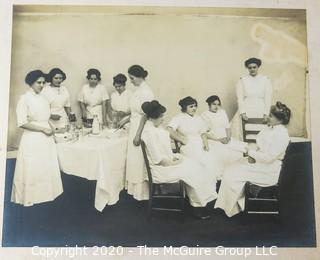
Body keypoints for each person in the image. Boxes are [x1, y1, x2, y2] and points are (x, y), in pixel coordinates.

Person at [141, 100, 217, 219]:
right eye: (161, 117)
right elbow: (158, 159)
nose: (163, 119)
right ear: (153, 117)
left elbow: (164, 151)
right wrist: (174, 162)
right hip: (161, 169)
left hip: (167, 163)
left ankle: (199, 202)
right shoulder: (149, 133)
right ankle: (197, 207)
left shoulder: (156, 129)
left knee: (196, 166)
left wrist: (175, 158)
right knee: (192, 171)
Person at [215, 102, 291, 217]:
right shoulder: (270, 129)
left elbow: (269, 158)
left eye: (270, 116)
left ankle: (233, 207)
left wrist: (249, 152)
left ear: (279, 120)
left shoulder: (282, 135)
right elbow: (260, 146)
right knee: (231, 167)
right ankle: (232, 205)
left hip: (269, 170)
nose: (267, 117)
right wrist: (248, 151)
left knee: (233, 172)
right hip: (261, 162)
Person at [11, 70, 63, 207]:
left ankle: (46, 195)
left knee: (46, 168)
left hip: (46, 138)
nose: (41, 85)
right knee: (33, 168)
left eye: (43, 82)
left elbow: (45, 118)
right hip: (33, 139)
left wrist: (53, 129)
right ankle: (32, 198)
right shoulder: (24, 99)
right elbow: (22, 122)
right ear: (31, 82)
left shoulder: (43, 98)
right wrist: (42, 129)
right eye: (38, 82)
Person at [119, 65, 154, 200]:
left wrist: (138, 134)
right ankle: (134, 192)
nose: (131, 81)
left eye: (132, 78)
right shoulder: (139, 90)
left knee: (139, 159)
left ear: (139, 77)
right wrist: (126, 119)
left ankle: (142, 193)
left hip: (141, 128)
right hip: (134, 124)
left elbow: (145, 114)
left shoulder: (146, 92)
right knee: (134, 159)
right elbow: (135, 111)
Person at [167, 96, 222, 179]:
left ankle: (212, 181)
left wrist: (205, 143)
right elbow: (169, 130)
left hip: (200, 142)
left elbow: (203, 132)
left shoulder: (198, 118)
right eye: (191, 106)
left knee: (211, 156)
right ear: (185, 107)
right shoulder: (179, 118)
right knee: (199, 159)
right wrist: (181, 139)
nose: (194, 108)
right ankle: (202, 181)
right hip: (188, 144)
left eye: (195, 106)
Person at [201, 95, 246, 177]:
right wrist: (219, 140)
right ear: (209, 104)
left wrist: (228, 138)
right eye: (214, 104)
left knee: (237, 151)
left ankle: (234, 174)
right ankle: (222, 175)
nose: (216, 106)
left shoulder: (222, 112)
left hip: (225, 137)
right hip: (214, 139)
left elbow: (227, 127)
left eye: (218, 104)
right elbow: (204, 132)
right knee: (222, 153)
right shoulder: (204, 115)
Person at [230, 57, 273, 140]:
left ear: (258, 67)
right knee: (243, 129)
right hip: (247, 107)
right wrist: (242, 112)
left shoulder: (265, 79)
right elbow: (240, 97)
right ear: (247, 68)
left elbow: (268, 97)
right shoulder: (243, 80)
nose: (252, 69)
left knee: (262, 129)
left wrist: (266, 113)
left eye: (254, 67)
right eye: (250, 68)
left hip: (261, 107)